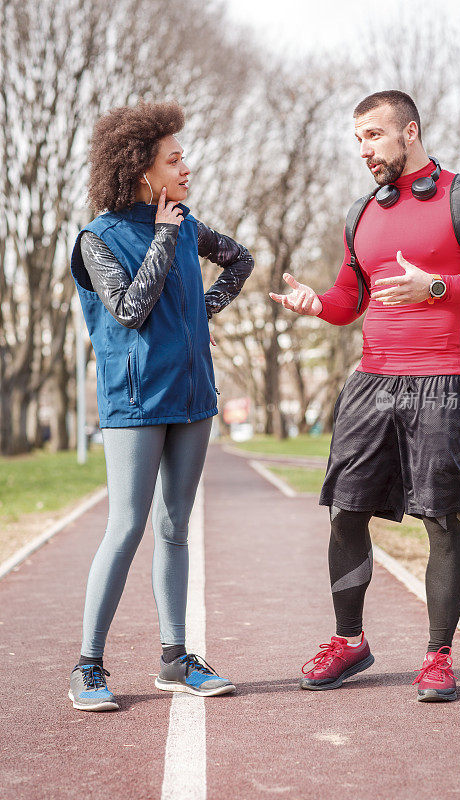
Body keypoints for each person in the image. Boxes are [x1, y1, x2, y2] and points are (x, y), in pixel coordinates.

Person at [270, 90, 460, 702]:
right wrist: (317, 304)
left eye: (374, 136)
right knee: (347, 508)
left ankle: (439, 656)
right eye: (358, 138)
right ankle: (349, 641)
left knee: (440, 517)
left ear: (410, 131)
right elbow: (347, 298)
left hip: (445, 379)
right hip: (371, 378)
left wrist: (436, 285)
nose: (365, 150)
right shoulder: (362, 212)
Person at [69, 101, 254, 711]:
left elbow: (240, 259)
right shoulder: (98, 238)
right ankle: (88, 667)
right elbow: (128, 308)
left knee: (175, 526)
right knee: (126, 525)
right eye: (174, 159)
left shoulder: (187, 221)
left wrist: (204, 310)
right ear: (142, 169)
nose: (187, 167)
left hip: (193, 396)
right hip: (135, 402)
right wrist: (168, 235)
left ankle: (176, 659)